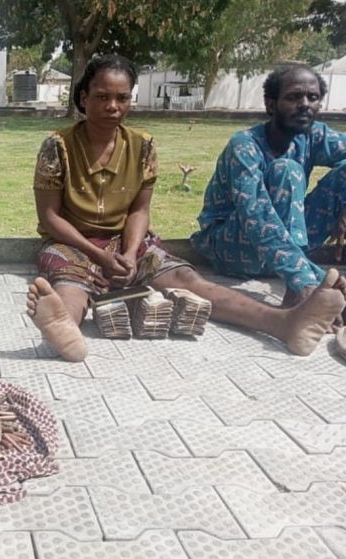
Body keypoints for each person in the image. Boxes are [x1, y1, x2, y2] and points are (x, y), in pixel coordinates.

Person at [26, 54, 346, 362]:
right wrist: (99, 255)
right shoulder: (58, 146)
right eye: (101, 97)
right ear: (83, 98)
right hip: (73, 242)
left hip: (127, 242)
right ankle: (63, 327)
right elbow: (50, 217)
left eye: (122, 98)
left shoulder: (143, 146)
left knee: (189, 281)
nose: (112, 106)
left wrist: (129, 251)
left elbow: (139, 211)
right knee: (72, 283)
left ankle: (284, 324)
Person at [191, 63, 346, 309]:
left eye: (313, 97)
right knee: (287, 170)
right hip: (233, 245)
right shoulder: (245, 146)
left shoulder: (314, 135)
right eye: (294, 97)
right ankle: (299, 284)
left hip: (286, 241)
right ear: (271, 104)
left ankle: (298, 272)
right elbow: (255, 216)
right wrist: (304, 278)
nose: (305, 103)